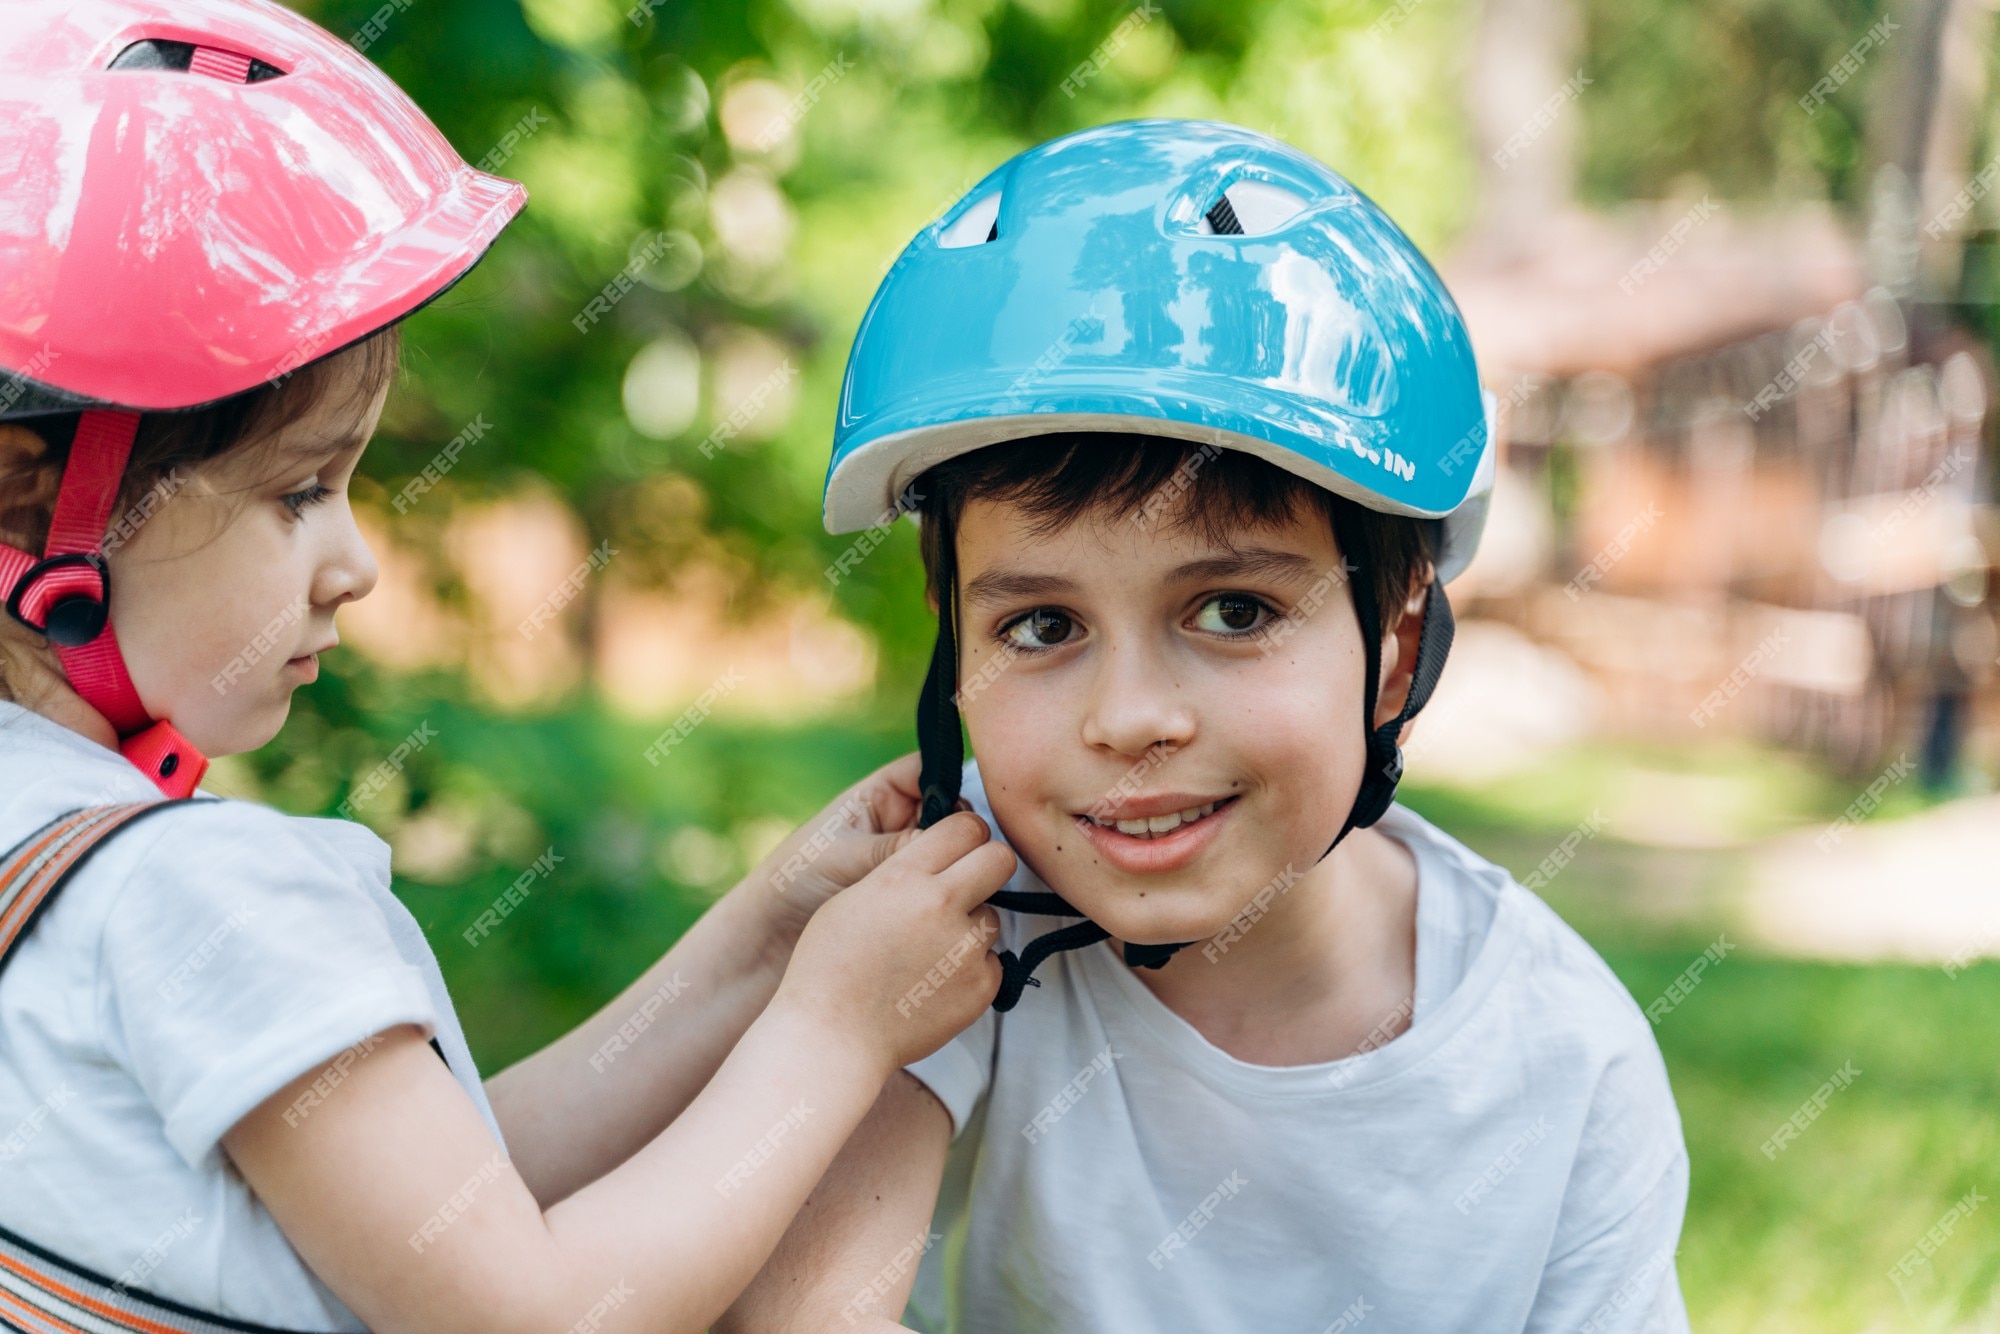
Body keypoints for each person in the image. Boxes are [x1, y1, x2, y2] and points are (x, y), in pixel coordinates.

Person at [0, 3, 1008, 1331]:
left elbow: (433, 1213)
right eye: (299, 490)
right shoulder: (204, 895)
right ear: (30, 502)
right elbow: (530, 1311)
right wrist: (837, 1027)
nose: (355, 561)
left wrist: (767, 939)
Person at [719, 119, 1690, 1333]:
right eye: (1039, 627)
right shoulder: (949, 937)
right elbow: (805, 1315)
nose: (1129, 719)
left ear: (1391, 652)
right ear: (951, 645)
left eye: (1231, 610)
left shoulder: (1558, 1059)